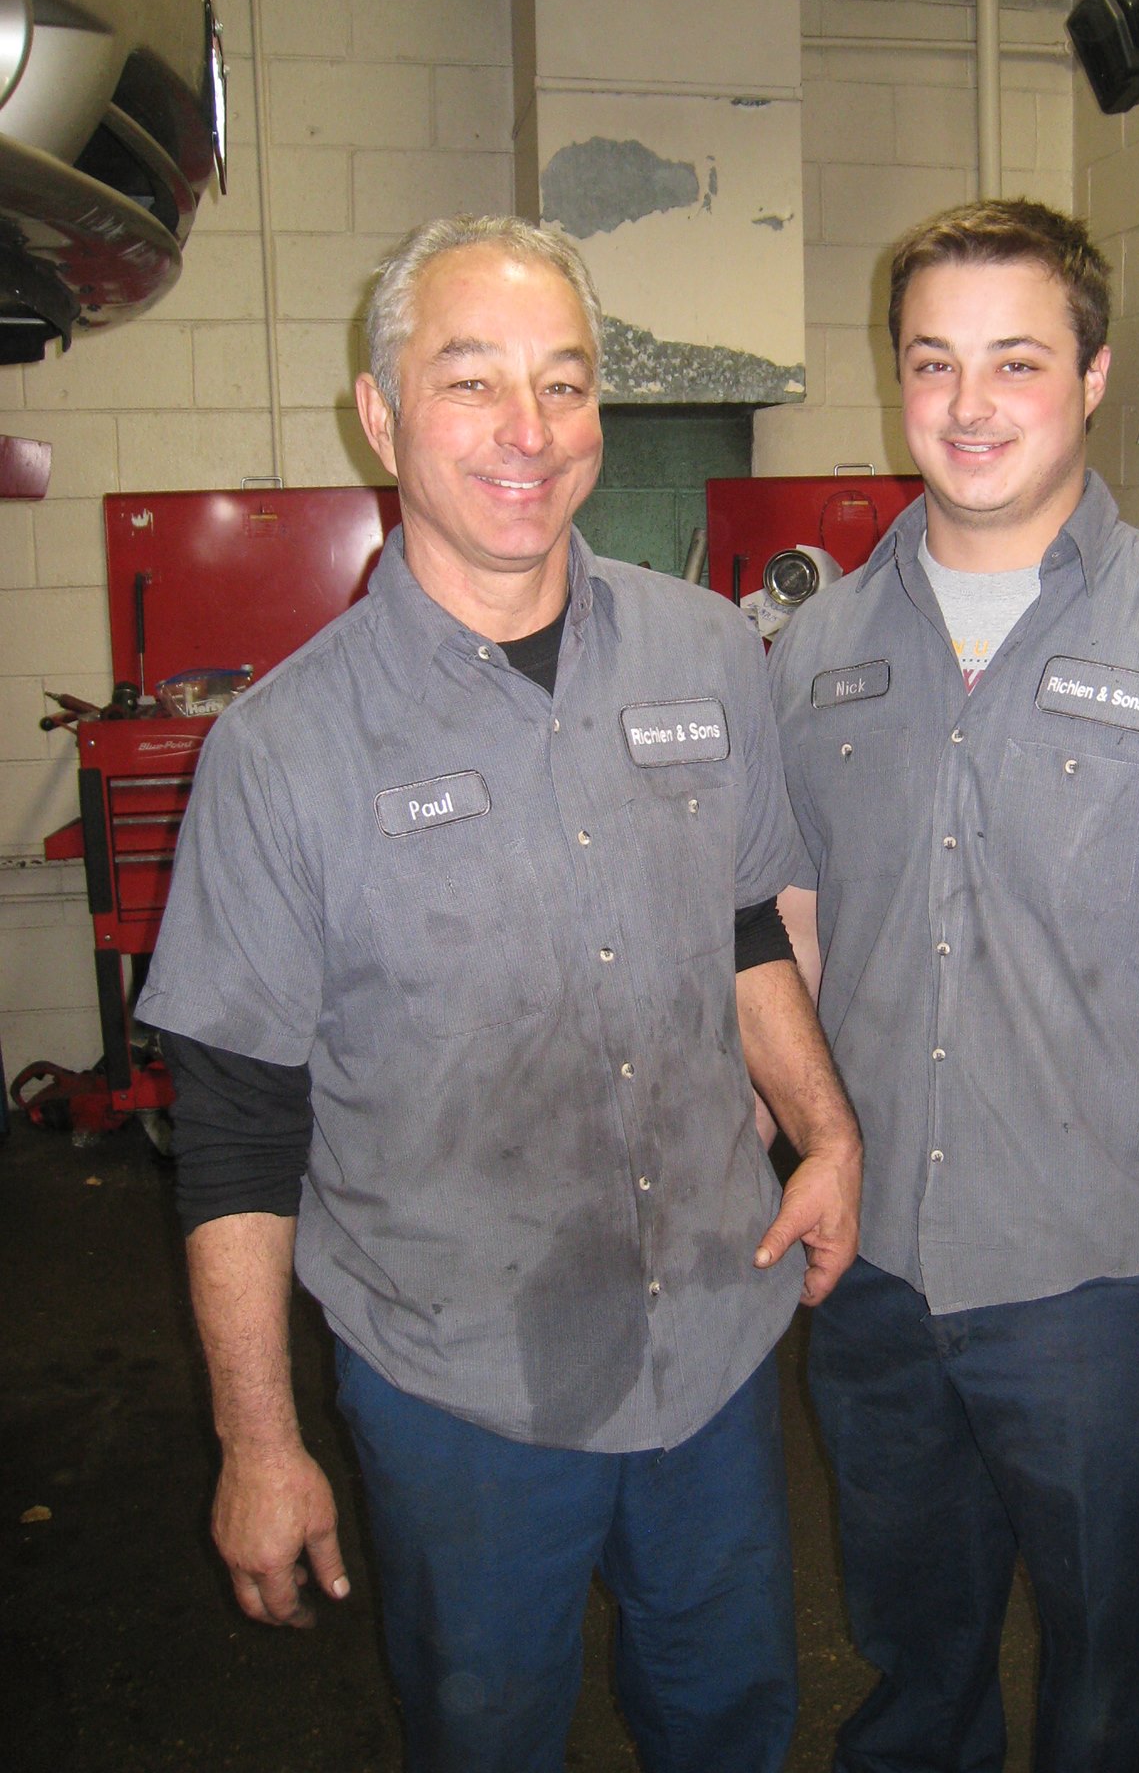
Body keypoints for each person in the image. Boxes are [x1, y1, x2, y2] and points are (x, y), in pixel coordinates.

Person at [137, 213, 862, 1773]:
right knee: (488, 1737)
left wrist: (826, 1129)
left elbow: (741, 926)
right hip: (460, 1391)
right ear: (380, 414)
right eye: (472, 382)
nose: (528, 430)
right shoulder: (281, 752)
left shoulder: (706, 655)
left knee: (731, 1719)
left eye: (565, 383)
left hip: (713, 1340)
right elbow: (240, 1134)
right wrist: (258, 1442)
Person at [767, 198, 1139, 1773]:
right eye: (934, 362)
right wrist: (784, 1158)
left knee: (1104, 1668)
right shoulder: (816, 650)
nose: (970, 405)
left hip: (1100, 1289)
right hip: (876, 1275)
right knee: (912, 1652)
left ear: (1094, 377)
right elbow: (800, 941)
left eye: (1017, 361)